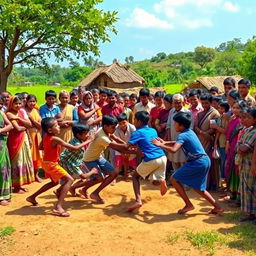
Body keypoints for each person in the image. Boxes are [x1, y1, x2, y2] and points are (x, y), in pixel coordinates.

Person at [152, 112, 223, 215]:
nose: (174, 125)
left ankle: (188, 205)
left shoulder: (182, 135)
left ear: (181, 125)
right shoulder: (189, 132)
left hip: (197, 162)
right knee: (198, 188)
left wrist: (160, 145)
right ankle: (218, 207)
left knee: (174, 179)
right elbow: (176, 143)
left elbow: (173, 149)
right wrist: (164, 143)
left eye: (175, 123)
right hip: (203, 161)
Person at [26, 117, 91, 217]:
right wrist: (89, 140)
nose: (59, 126)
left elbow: (40, 147)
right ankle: (58, 207)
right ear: (50, 130)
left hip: (47, 163)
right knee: (69, 179)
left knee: (54, 182)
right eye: (56, 125)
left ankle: (32, 197)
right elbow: (75, 148)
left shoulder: (47, 136)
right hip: (52, 164)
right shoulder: (55, 138)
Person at [77, 115, 137, 204]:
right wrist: (135, 150)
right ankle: (86, 190)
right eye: (113, 127)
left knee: (114, 173)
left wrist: (128, 146)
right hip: (89, 159)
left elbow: (116, 139)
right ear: (106, 126)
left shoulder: (105, 129)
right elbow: (118, 147)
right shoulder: (102, 137)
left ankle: (86, 190)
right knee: (99, 178)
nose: (114, 129)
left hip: (97, 157)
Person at [116, 111, 167, 212]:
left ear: (139, 121)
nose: (134, 121)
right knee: (153, 181)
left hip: (151, 159)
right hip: (162, 157)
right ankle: (161, 181)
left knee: (135, 177)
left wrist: (112, 144)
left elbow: (127, 146)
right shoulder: (153, 130)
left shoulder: (137, 132)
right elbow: (145, 143)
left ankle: (138, 200)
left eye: (135, 119)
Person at [58, 124, 98, 196]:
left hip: (71, 162)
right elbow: (76, 148)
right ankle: (63, 190)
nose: (88, 135)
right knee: (85, 177)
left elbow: (76, 154)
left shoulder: (76, 140)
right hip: (70, 164)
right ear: (78, 135)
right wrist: (93, 171)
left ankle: (60, 190)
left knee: (70, 179)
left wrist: (80, 162)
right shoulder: (77, 143)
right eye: (85, 134)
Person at [6, 95, 35, 193]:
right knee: (17, 160)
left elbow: (30, 125)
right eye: (16, 104)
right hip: (15, 140)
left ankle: (21, 184)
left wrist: (19, 119)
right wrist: (24, 126)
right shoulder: (9, 114)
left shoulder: (21, 112)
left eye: (19, 103)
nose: (18, 106)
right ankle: (16, 186)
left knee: (25, 159)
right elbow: (17, 128)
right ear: (11, 104)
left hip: (24, 138)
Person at [195, 94, 220, 190]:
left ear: (211, 103)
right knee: (201, 162)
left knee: (210, 163)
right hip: (200, 140)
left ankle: (211, 184)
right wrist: (202, 132)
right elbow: (195, 126)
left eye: (207, 103)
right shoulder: (199, 113)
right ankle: (203, 183)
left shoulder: (214, 113)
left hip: (209, 141)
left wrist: (206, 133)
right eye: (203, 103)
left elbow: (214, 128)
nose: (204, 105)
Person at [237, 107, 256, 222]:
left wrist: (240, 147)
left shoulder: (254, 132)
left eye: (249, 117)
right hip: (245, 163)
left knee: (252, 188)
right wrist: (240, 147)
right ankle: (250, 213)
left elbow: (243, 148)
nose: (246, 119)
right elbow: (239, 146)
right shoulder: (248, 130)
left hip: (251, 163)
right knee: (246, 188)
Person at [224, 100, 246, 200]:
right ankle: (231, 193)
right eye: (234, 107)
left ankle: (238, 196)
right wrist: (227, 143)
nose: (235, 110)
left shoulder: (242, 121)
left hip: (237, 149)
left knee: (237, 171)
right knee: (231, 170)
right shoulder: (232, 119)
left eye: (238, 108)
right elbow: (228, 133)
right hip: (231, 147)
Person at [166, 93, 191, 171]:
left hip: (183, 141)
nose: (177, 105)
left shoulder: (187, 112)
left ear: (183, 102)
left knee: (183, 161)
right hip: (173, 138)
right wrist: (169, 139)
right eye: (175, 103)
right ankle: (176, 180)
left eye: (179, 102)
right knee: (174, 160)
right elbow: (169, 126)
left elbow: (190, 128)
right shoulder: (171, 111)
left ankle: (183, 182)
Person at [25, 94, 43, 182]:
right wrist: (34, 124)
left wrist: (32, 120)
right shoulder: (23, 111)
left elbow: (40, 126)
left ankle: (36, 175)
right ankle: (28, 176)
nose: (32, 103)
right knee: (29, 155)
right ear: (26, 102)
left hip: (36, 135)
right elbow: (26, 126)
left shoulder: (36, 111)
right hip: (28, 135)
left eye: (34, 101)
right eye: (30, 101)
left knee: (37, 155)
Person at [114, 113, 136, 181]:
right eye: (120, 123)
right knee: (117, 166)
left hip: (131, 147)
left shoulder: (132, 127)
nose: (122, 125)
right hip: (120, 148)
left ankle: (134, 175)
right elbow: (117, 141)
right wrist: (123, 151)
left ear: (127, 121)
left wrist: (129, 150)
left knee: (134, 165)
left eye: (124, 123)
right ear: (118, 123)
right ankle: (114, 178)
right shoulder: (116, 128)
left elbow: (134, 140)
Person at [211, 101, 230, 181]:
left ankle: (225, 181)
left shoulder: (226, 118)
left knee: (224, 163)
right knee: (221, 163)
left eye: (221, 108)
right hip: (220, 143)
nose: (219, 109)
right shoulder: (220, 117)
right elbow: (218, 132)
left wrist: (216, 127)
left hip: (224, 143)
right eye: (219, 108)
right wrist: (215, 143)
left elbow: (226, 131)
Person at [0, 104, 13, 206]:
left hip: (1, 145)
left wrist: (1, 130)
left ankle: (2, 196)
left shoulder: (1, 113)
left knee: (2, 168)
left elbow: (10, 125)